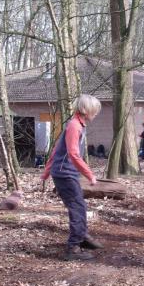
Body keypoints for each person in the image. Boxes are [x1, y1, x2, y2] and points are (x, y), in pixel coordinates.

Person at [41, 94, 103, 261]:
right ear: (85, 110)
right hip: (64, 174)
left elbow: (56, 149)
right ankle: (73, 248)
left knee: (80, 205)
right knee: (77, 207)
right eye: (94, 110)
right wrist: (90, 175)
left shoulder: (77, 124)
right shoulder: (74, 126)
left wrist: (46, 172)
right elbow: (73, 154)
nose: (96, 114)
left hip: (66, 173)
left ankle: (82, 236)